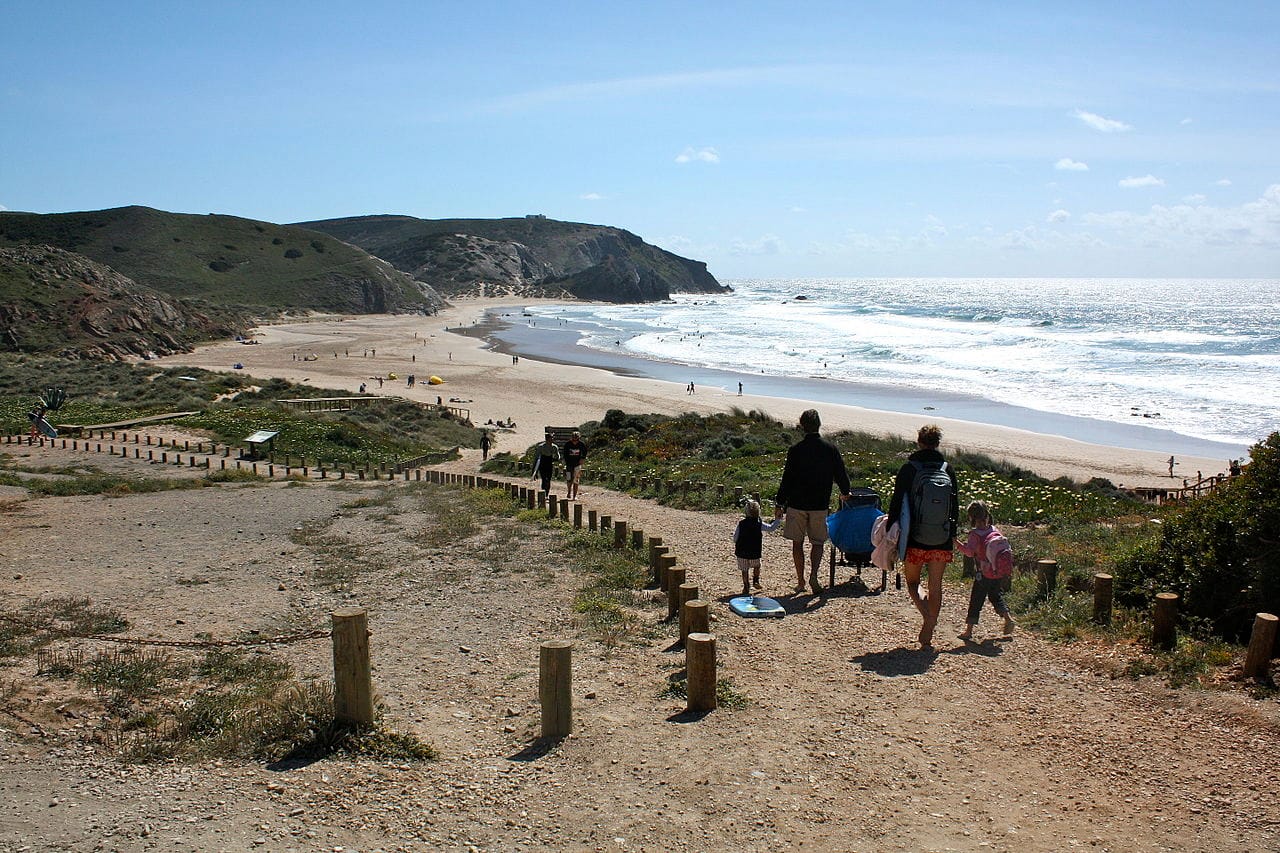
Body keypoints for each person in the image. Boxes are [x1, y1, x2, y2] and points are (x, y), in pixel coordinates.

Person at [889, 424, 959, 648]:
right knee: (935, 584)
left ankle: (928, 619)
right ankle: (930, 627)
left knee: (912, 582)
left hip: (915, 538)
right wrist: (951, 535)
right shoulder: (947, 469)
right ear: (938, 443)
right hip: (941, 537)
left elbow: (897, 502)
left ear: (919, 441)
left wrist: (892, 529)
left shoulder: (910, 468)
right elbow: (954, 507)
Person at [774, 409, 852, 594]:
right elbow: (841, 474)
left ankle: (800, 581)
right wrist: (845, 491)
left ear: (802, 426)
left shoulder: (795, 450)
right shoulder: (830, 449)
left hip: (797, 503)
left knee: (797, 543)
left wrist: (779, 503)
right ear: (819, 424)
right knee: (817, 542)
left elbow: (787, 478)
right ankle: (814, 575)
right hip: (819, 503)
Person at [954, 501, 1015, 640]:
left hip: (983, 573)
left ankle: (968, 631)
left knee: (976, 600)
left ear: (971, 517)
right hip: (997, 571)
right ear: (987, 514)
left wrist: (957, 543)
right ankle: (1007, 617)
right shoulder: (994, 529)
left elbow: (969, 553)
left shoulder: (975, 534)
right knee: (995, 596)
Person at [734, 500, 781, 596]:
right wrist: (777, 519)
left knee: (744, 570)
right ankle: (756, 579)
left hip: (741, 551)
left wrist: (737, 542)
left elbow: (735, 537)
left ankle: (746, 585)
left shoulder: (741, 524)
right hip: (754, 551)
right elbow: (771, 528)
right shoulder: (759, 524)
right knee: (757, 566)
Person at [562, 431, 587, 500]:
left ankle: (574, 496)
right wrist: (565, 462)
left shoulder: (581, 444)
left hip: (577, 464)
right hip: (569, 464)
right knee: (569, 479)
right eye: (573, 439)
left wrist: (582, 458)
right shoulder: (567, 444)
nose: (575, 441)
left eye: (577, 439)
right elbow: (564, 454)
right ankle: (569, 491)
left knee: (576, 480)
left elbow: (585, 452)